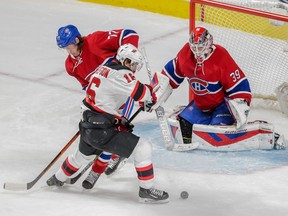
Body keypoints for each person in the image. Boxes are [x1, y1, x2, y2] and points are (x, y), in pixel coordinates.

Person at [47, 44, 170, 203]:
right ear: (125, 61)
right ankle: (146, 190)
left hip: (87, 124)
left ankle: (57, 178)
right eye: (132, 64)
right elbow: (143, 94)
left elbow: (115, 97)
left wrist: (120, 118)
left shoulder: (103, 69)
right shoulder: (122, 75)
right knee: (143, 147)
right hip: (102, 131)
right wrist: (153, 93)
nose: (133, 69)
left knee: (81, 157)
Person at [156, 26, 285, 151]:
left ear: (209, 43)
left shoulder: (221, 57)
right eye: (194, 47)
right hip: (202, 104)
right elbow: (169, 75)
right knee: (182, 124)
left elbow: (239, 85)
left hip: (222, 105)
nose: (197, 51)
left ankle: (261, 135)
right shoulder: (186, 55)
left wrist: (241, 107)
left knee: (216, 131)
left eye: (200, 47)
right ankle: (205, 123)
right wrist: (156, 92)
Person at [56, 24, 138, 185]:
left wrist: (128, 61)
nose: (68, 51)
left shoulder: (95, 41)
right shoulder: (70, 65)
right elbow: (87, 85)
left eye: (69, 46)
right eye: (65, 48)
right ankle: (114, 154)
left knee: (113, 132)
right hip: (105, 100)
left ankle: (97, 171)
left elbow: (129, 34)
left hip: (123, 94)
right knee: (102, 132)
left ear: (77, 39)